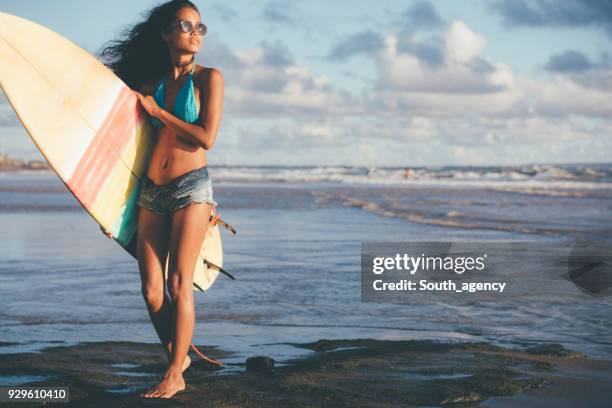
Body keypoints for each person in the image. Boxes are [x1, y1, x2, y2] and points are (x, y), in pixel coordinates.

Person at [97, 0, 224, 399]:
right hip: (151, 191)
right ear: (166, 34)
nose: (194, 33)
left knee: (177, 283)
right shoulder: (151, 86)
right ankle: (178, 354)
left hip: (191, 188)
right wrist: (108, 206)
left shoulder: (208, 79)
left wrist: (159, 112)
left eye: (200, 28)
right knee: (152, 290)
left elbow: (206, 137)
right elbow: (131, 146)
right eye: (186, 26)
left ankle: (175, 374)